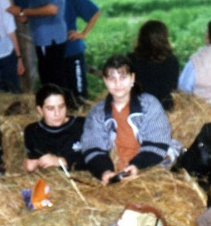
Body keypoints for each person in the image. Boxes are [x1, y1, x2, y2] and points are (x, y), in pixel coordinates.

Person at [81, 54, 178, 185]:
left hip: (151, 167)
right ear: (105, 81)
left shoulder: (149, 104)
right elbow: (92, 146)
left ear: (132, 78)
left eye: (123, 77)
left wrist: (137, 166)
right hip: (116, 170)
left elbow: (157, 141)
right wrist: (104, 171)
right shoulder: (97, 113)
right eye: (112, 78)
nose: (118, 84)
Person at [45, 0, 101, 100]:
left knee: (79, 97)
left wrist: (83, 33)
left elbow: (95, 12)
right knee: (57, 96)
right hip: (50, 54)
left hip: (71, 51)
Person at [23, 84, 85, 172]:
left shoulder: (82, 125)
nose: (57, 113)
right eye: (50, 108)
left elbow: (97, 157)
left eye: (61, 106)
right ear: (40, 110)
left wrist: (63, 161)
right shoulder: (33, 132)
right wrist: (33, 164)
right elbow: (36, 161)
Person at [129, 20, 180, 111]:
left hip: (137, 107)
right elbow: (173, 88)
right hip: (164, 108)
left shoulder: (131, 59)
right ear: (164, 38)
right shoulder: (171, 60)